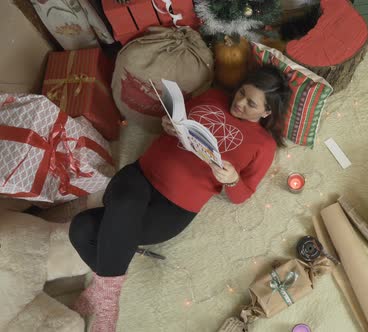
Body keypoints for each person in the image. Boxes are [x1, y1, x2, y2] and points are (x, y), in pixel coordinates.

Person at [68, 65, 291, 332]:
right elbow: (178, 120)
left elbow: (243, 195)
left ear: (266, 112)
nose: (240, 102)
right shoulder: (212, 97)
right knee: (125, 208)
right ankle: (108, 303)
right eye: (242, 92)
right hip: (139, 177)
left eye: (251, 103)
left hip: (175, 208)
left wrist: (231, 179)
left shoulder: (264, 146)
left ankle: (99, 290)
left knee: (82, 229)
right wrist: (168, 126)